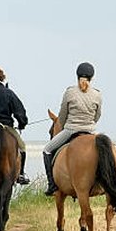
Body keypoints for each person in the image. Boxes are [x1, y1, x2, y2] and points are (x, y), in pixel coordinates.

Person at [43, 62, 102, 196]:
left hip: (71, 129)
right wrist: (89, 125)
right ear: (92, 77)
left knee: (46, 150)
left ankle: (52, 185)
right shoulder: (97, 94)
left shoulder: (70, 92)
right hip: (91, 130)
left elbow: (62, 116)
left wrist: (65, 125)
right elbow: (97, 116)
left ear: (77, 76)